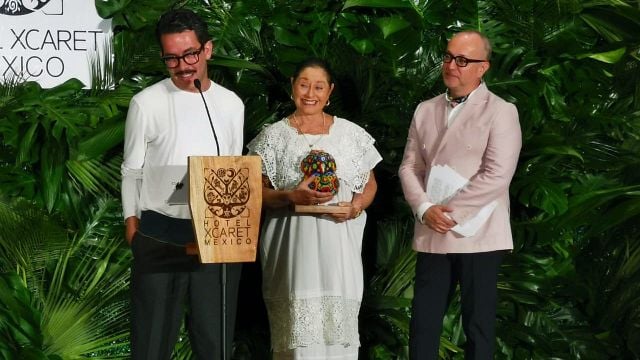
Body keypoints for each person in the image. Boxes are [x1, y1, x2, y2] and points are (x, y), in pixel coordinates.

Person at [120, 8, 244, 360]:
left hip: (217, 230)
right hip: (159, 230)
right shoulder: (146, 103)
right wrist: (133, 225)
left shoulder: (231, 105)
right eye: (171, 58)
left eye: (190, 54)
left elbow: (232, 169)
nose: (183, 65)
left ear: (208, 49)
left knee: (214, 339)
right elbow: (132, 170)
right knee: (151, 341)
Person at [398, 31, 522, 359]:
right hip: (432, 229)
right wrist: (425, 209)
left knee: (478, 325)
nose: (452, 65)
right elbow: (409, 167)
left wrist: (448, 212)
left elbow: (497, 175)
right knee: (423, 322)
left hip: (478, 232)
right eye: (449, 56)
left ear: (483, 68)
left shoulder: (501, 111)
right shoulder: (424, 109)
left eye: (463, 60)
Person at [247, 58, 382, 359]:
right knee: (298, 339)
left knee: (337, 338)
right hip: (292, 251)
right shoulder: (273, 137)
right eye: (304, 84)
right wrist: (290, 196)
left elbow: (369, 183)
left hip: (338, 249)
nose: (310, 93)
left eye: (319, 86)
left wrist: (357, 205)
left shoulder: (350, 134)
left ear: (330, 91)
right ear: (293, 86)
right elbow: (256, 193)